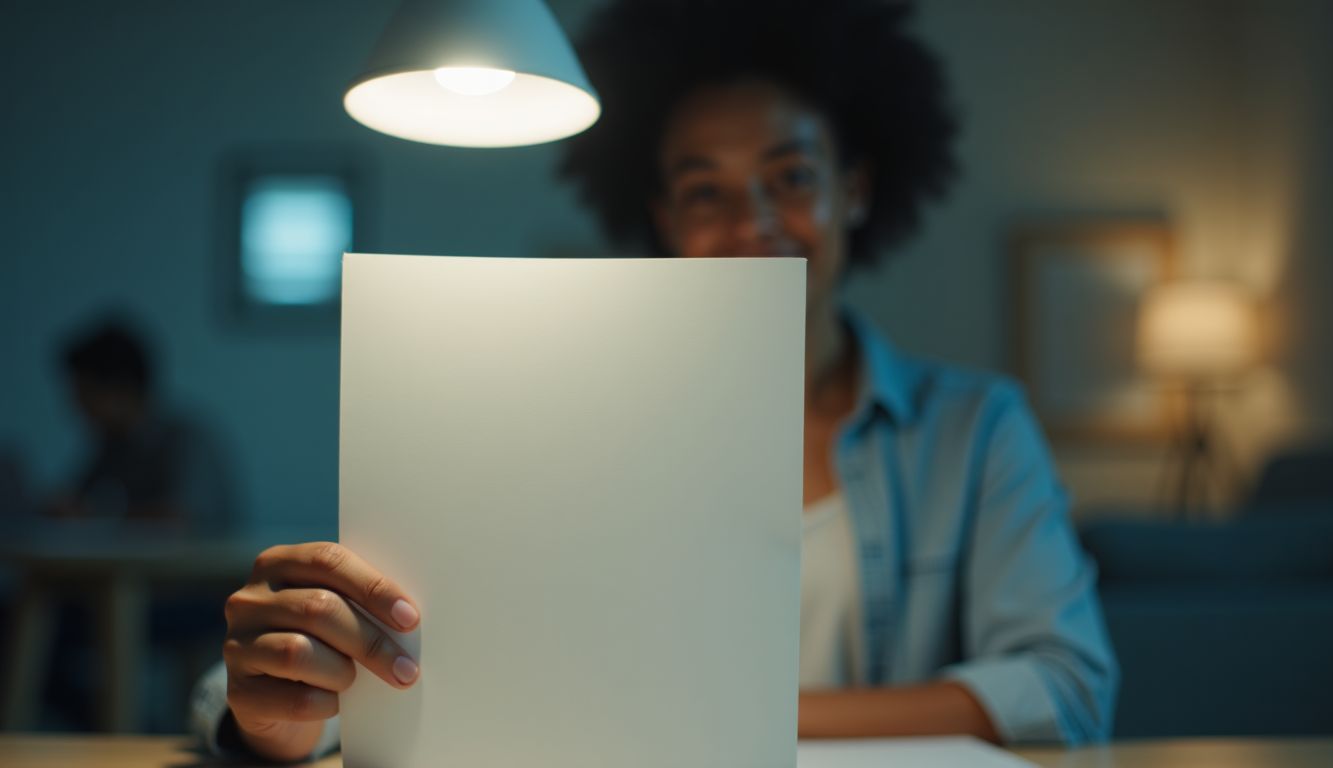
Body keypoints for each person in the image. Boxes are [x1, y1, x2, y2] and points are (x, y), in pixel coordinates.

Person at [196, 0, 1117, 760]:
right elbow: (287, 694)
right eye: (706, 189)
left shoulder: (974, 429)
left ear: (858, 188)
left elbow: (1064, 685)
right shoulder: (541, 419)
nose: (754, 220)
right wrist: (274, 717)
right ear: (662, 213)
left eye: (791, 176)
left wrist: (737, 728)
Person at [48, 318, 234, 532]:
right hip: (141, 565)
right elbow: (76, 499)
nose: (78, 407)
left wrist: (95, 515)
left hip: (195, 565)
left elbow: (181, 521)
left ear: (121, 390)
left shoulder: (187, 440)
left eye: (86, 394)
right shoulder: (113, 444)